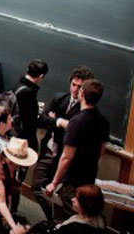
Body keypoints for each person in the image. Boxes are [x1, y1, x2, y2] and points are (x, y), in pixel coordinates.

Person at [32, 66, 94, 219]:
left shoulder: (85, 111)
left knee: (60, 195)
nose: (75, 89)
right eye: (73, 84)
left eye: (80, 87)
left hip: (65, 158)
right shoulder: (59, 98)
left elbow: (76, 132)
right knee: (36, 187)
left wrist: (54, 120)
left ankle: (57, 221)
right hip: (48, 151)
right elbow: (42, 120)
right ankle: (52, 218)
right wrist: (59, 122)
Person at [44, 79, 109, 217]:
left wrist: (54, 183)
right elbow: (102, 150)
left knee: (68, 216)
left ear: (82, 94)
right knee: (82, 216)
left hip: (73, 181)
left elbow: (67, 157)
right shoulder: (104, 122)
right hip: (89, 178)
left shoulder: (76, 122)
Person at [13, 59, 48, 150]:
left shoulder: (19, 84)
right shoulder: (29, 93)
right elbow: (29, 123)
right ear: (41, 76)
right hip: (22, 140)